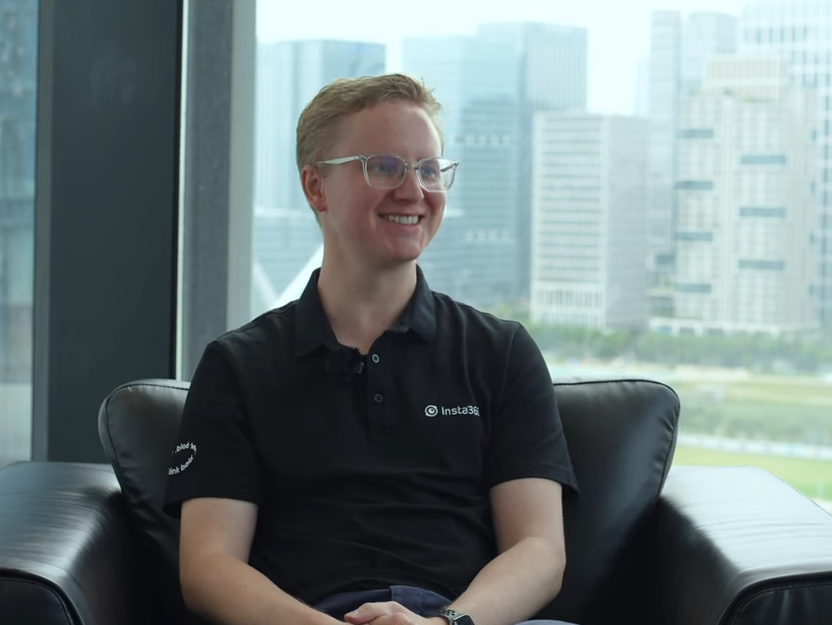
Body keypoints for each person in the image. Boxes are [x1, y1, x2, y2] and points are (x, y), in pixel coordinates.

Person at [163, 73, 579, 625]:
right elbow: (209, 566)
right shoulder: (238, 366)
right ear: (316, 187)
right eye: (383, 167)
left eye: (428, 169)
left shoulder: (501, 353)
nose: (414, 191)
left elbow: (540, 550)